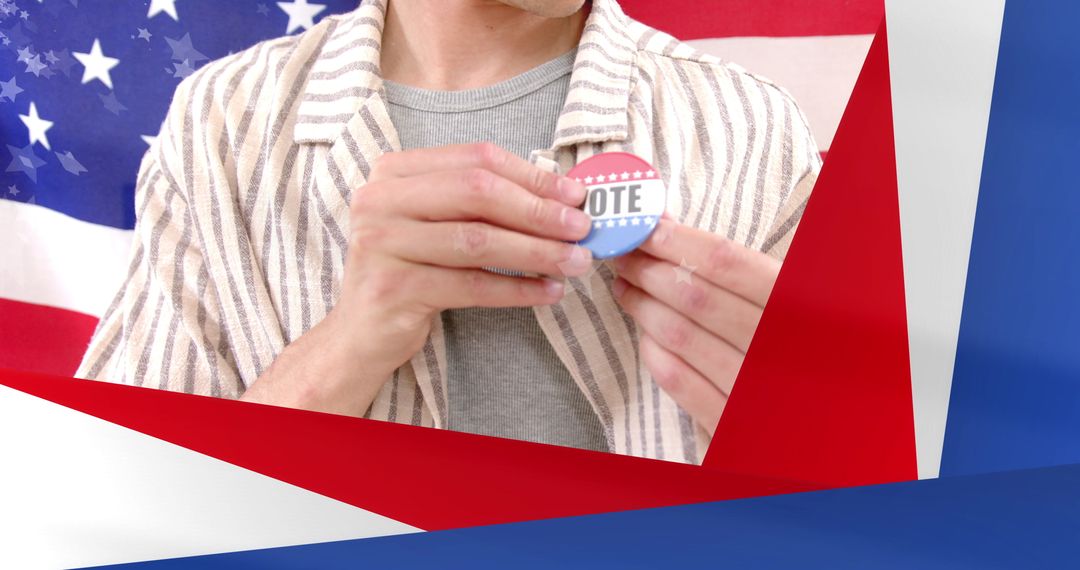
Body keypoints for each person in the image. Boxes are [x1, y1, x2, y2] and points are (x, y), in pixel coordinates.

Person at [77, 0, 820, 464]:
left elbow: (864, 500)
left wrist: (800, 435)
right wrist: (348, 344)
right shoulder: (221, 124)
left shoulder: (754, 125)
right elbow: (113, 511)